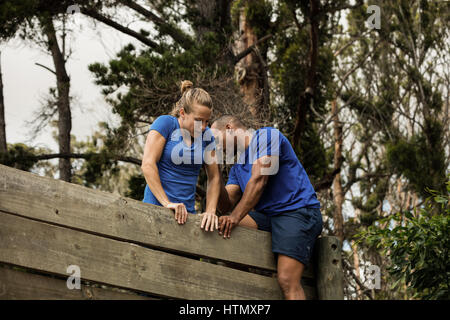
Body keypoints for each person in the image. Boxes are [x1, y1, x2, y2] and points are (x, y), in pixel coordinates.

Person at [211, 115, 323, 300]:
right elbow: (225, 204)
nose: (217, 145)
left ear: (229, 128)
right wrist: (213, 172)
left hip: (296, 211)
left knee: (287, 280)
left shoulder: (266, 136)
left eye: (216, 138)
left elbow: (260, 179)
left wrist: (235, 216)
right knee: (224, 225)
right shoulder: (238, 168)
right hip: (268, 217)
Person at [141, 80, 220, 231]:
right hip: (156, 209)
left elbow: (214, 177)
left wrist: (210, 211)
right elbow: (148, 164)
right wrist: (167, 203)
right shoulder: (166, 124)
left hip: (187, 217)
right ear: (183, 113)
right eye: (198, 120)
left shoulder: (207, 136)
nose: (203, 127)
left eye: (207, 121)